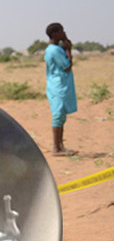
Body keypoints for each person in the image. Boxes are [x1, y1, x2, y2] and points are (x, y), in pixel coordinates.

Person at [44, 22, 78, 156]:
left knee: (61, 115)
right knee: (58, 115)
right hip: (58, 86)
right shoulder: (54, 50)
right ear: (54, 34)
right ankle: (56, 148)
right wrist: (69, 49)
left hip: (60, 85)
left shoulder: (54, 49)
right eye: (61, 31)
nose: (64, 33)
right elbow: (67, 66)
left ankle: (61, 146)